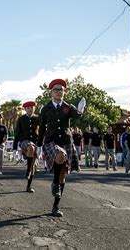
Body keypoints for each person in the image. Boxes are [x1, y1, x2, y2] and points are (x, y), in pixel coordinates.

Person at [37, 79, 85, 217]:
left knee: (63, 175)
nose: (59, 92)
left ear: (64, 92)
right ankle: (54, 182)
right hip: (51, 141)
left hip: (66, 141)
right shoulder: (45, 108)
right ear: (51, 92)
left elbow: (76, 115)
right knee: (60, 155)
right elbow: (41, 129)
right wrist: (39, 146)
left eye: (61, 90)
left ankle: (55, 206)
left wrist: (80, 110)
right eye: (56, 89)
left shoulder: (67, 107)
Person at [13, 101, 39, 192]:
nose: (30, 109)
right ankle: (27, 170)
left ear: (34, 108)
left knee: (33, 166)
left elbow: (42, 131)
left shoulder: (38, 118)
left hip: (35, 142)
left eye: (32, 107)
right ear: (25, 109)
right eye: (28, 108)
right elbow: (17, 133)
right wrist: (14, 147)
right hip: (24, 141)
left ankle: (28, 186)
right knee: (30, 147)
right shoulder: (21, 119)